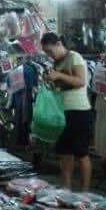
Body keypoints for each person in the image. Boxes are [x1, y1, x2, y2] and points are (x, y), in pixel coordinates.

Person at [41, 32, 92, 192]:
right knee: (64, 152)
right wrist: (51, 81)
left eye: (50, 51)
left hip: (78, 111)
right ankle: (66, 189)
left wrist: (58, 75)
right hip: (61, 113)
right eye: (46, 53)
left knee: (81, 152)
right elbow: (60, 85)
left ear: (58, 44)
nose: (49, 55)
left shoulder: (74, 57)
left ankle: (85, 192)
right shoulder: (57, 63)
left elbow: (81, 81)